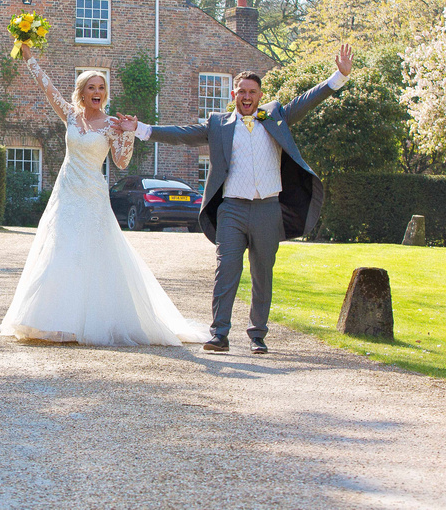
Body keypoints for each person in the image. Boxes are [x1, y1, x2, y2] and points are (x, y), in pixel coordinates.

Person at [118, 43, 354, 354]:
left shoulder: (276, 116)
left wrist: (339, 76)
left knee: (262, 275)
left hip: (268, 209)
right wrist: (141, 129)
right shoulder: (218, 124)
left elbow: (307, 100)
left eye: (252, 92)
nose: (246, 96)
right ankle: (219, 334)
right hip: (231, 209)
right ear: (233, 95)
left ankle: (257, 336)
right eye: (241, 91)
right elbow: (183, 133)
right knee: (226, 270)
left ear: (259, 95)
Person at [0, 44, 208, 346]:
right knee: (61, 249)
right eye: (91, 87)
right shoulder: (70, 115)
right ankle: (55, 321)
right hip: (67, 191)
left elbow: (121, 162)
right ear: (82, 92)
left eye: (102, 88)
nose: (97, 92)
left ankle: (92, 321)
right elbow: (48, 89)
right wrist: (28, 56)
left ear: (104, 94)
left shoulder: (112, 124)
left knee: (93, 252)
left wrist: (127, 133)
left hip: (93, 194)